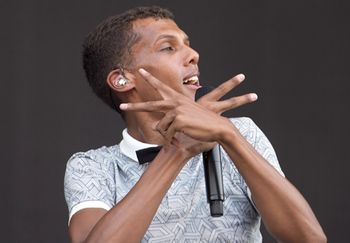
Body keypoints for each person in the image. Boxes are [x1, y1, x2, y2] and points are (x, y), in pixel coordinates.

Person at [64, 6, 326, 243]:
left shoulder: (240, 133)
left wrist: (229, 135)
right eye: (168, 47)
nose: (193, 55)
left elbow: (309, 239)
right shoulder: (92, 167)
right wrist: (177, 150)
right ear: (122, 80)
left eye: (188, 45)